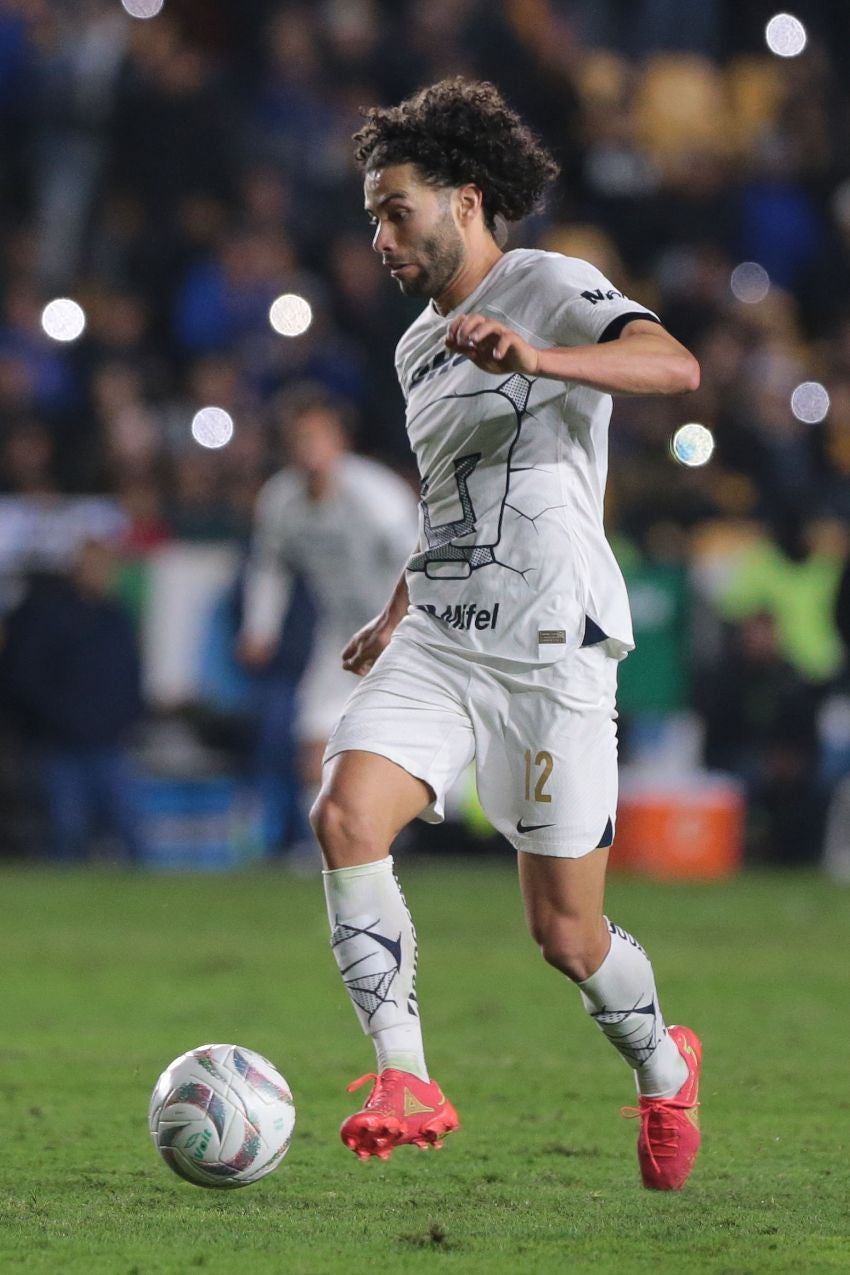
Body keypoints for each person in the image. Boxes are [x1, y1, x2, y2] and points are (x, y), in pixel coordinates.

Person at [310, 78, 704, 1191]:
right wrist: (392, 614)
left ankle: (662, 1063)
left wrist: (540, 359)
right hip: (441, 635)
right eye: (372, 218)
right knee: (344, 815)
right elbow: (449, 501)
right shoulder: (412, 353)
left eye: (396, 210)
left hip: (551, 644)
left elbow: (674, 366)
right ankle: (405, 1077)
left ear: (466, 200)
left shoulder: (549, 284)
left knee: (567, 938)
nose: (380, 237)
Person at [238, 384, 418, 847]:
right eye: (299, 439)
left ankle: (399, 839)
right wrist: (259, 628)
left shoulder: (376, 497)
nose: (308, 449)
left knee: (402, 750)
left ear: (340, 442)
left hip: (410, 637)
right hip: (343, 637)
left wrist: (398, 624)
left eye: (317, 437)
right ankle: (328, 849)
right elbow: (270, 566)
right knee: (315, 743)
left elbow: (423, 560)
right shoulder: (279, 502)